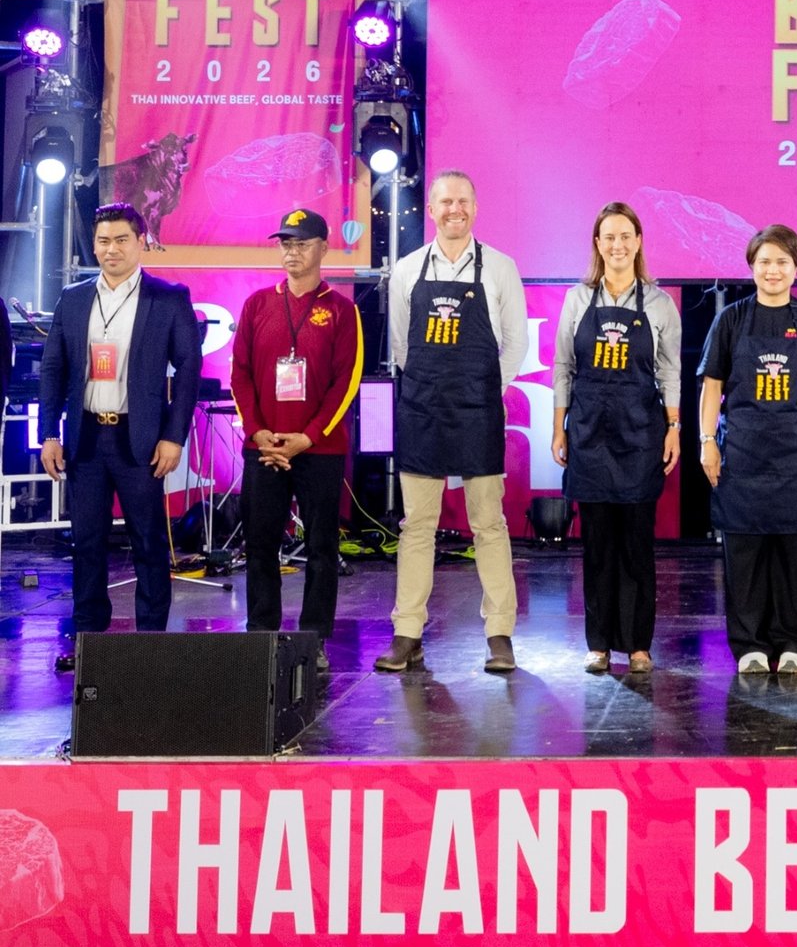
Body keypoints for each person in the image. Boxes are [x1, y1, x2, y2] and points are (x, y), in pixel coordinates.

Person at [38, 202, 201, 672]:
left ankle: (150, 644)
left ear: (141, 241)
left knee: (148, 542)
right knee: (86, 542)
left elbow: (188, 369)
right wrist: (49, 433)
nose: (111, 249)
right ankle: (88, 641)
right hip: (86, 437)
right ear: (94, 245)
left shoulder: (168, 298)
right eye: (103, 241)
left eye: (121, 240)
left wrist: (174, 437)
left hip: (141, 439)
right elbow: (53, 367)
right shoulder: (73, 298)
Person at [378, 170, 530, 673]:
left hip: (478, 411)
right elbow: (402, 346)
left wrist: (483, 388)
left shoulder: (500, 267)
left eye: (462, 201)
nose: (454, 210)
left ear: (475, 207)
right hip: (423, 410)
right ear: (431, 209)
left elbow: (515, 343)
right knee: (416, 526)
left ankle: (499, 634)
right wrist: (435, 385)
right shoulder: (407, 269)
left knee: (489, 523)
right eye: (445, 202)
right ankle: (407, 633)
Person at [698, 224, 797, 675]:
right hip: (743, 453)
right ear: (751, 267)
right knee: (743, 555)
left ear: (796, 267)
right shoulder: (731, 320)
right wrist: (707, 441)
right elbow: (712, 386)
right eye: (764, 262)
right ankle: (750, 646)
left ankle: (795, 642)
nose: (773, 270)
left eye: (782, 261)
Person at [552, 202, 683, 674]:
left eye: (626, 236)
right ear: (597, 243)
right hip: (588, 433)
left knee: (637, 546)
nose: (618, 245)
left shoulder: (660, 303)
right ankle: (599, 644)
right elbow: (564, 367)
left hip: (640, 435)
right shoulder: (577, 299)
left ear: (638, 241)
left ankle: (638, 645)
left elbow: (669, 371)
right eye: (609, 236)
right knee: (597, 547)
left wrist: (673, 427)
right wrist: (559, 427)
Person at [231, 208, 363, 671]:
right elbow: (240, 375)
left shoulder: (342, 310)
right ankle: (261, 634)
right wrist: (257, 432)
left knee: (322, 547)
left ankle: (314, 638)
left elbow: (346, 382)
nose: (292, 252)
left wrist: (307, 437)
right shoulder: (257, 305)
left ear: (323, 248)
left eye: (302, 244)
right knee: (260, 544)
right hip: (265, 447)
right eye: (286, 243)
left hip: (319, 450)